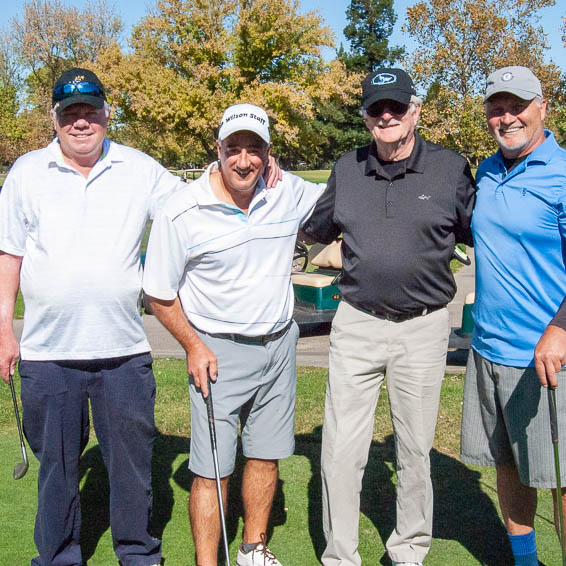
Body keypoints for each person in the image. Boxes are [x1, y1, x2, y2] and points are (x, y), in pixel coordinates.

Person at [0, 68, 276, 566]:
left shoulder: (139, 168)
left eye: (90, 111)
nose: (80, 122)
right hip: (46, 353)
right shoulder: (25, 173)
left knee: (131, 470)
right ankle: (60, 556)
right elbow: (10, 256)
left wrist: (244, 169)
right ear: (55, 118)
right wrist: (3, 330)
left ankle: (137, 553)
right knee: (57, 470)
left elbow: (193, 206)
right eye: (70, 113)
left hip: (124, 353)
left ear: (107, 113)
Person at [300, 68, 476, 566]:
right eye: (377, 108)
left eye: (396, 107)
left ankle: (408, 551)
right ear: (365, 117)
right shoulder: (347, 168)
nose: (387, 116)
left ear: (415, 111)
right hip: (356, 324)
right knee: (339, 450)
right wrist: (337, 254)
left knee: (415, 452)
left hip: (422, 327)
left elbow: (475, 231)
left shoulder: (449, 168)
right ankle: (341, 556)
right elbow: (313, 232)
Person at [142, 103, 325, 566]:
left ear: (269, 153)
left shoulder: (289, 192)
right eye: (235, 149)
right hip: (215, 350)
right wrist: (193, 345)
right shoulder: (181, 210)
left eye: (256, 149)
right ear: (217, 149)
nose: (244, 160)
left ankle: (252, 549)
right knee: (211, 468)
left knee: (266, 455)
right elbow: (158, 294)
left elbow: (347, 201)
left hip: (279, 344)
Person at [460, 65, 566, 566]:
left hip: (548, 357)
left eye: (517, 105)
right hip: (488, 350)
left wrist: (560, 328)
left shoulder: (563, 174)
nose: (507, 118)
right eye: (496, 109)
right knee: (507, 466)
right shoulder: (485, 171)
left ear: (542, 106)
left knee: (560, 478)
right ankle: (525, 562)